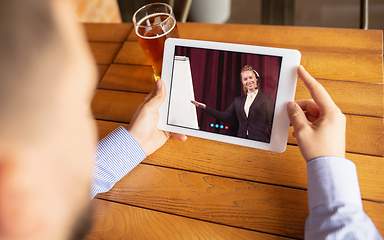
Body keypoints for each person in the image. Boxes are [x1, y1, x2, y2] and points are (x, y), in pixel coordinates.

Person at [0, 1, 381, 240]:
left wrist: (133, 143)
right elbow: (224, 114)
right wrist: (329, 166)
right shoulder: (235, 98)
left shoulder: (267, 99)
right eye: (79, 103)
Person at [191, 65, 274, 143]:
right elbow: (224, 116)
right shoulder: (238, 101)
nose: (248, 81)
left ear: (256, 78)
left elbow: (271, 122)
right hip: (242, 140)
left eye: (250, 77)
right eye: (245, 79)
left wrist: (274, 142)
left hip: (261, 140)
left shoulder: (266, 98)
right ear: (242, 82)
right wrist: (205, 107)